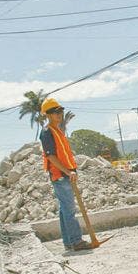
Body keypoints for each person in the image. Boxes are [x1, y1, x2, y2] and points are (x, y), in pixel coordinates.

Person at [39, 98, 92, 251]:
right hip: (60, 176)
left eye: (60, 111)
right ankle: (76, 241)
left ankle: (69, 241)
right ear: (47, 115)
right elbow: (50, 156)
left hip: (66, 174)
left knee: (64, 210)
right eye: (55, 112)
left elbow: (65, 155)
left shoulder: (58, 131)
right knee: (69, 210)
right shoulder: (47, 132)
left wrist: (72, 170)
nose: (59, 114)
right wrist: (67, 171)